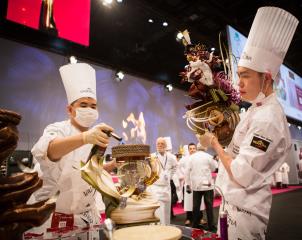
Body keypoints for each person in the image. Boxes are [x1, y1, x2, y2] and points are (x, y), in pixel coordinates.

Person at [197, 7, 298, 239]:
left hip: (246, 210)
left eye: (245, 75)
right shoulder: (257, 109)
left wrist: (214, 143)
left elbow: (242, 172)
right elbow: (242, 144)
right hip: (235, 202)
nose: (239, 82)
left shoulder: (268, 121)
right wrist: (223, 122)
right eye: (239, 75)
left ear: (267, 78)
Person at [26, 63, 116, 235]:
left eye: (93, 106)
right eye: (83, 104)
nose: (89, 109)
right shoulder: (58, 128)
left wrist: (110, 166)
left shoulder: (95, 135)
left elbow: (84, 173)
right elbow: (47, 150)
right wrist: (83, 138)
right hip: (54, 219)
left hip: (87, 218)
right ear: (70, 109)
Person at [185, 148, 217, 231]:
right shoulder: (209, 156)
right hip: (207, 185)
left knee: (196, 207)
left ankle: (195, 225)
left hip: (196, 185)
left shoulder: (191, 157)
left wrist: (188, 184)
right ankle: (211, 226)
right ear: (205, 148)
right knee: (209, 206)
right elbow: (214, 168)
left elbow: (187, 171)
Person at [148, 137, 177, 225]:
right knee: (158, 211)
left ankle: (167, 228)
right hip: (155, 187)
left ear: (165, 145)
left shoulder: (171, 157)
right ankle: (158, 231)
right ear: (156, 145)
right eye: (158, 144)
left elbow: (175, 167)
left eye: (162, 144)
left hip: (166, 187)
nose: (160, 145)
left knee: (167, 210)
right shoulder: (151, 157)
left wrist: (170, 176)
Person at [179, 143, 205, 226]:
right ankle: (188, 218)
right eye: (190, 148)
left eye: (194, 148)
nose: (192, 150)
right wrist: (182, 175)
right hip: (188, 183)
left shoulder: (200, 158)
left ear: (196, 149)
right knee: (188, 201)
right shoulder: (185, 159)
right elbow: (178, 167)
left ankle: (200, 218)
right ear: (188, 149)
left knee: (199, 201)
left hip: (198, 183)